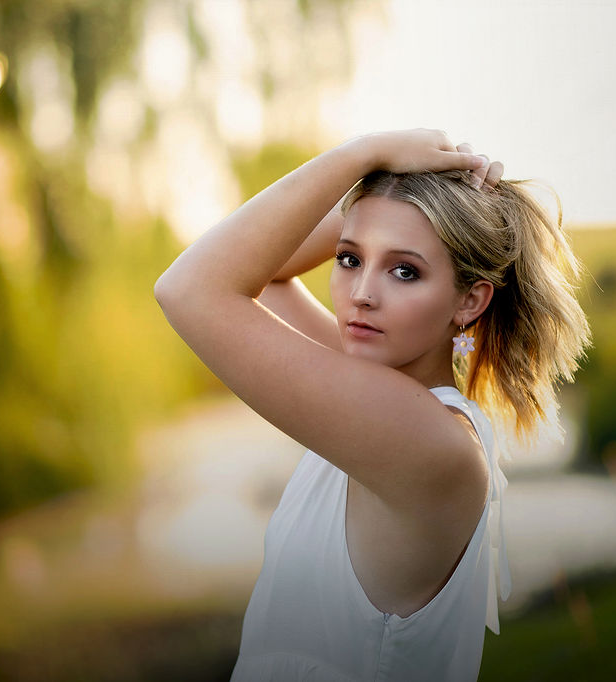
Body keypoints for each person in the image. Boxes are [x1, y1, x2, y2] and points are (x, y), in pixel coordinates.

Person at [155, 129, 591, 681]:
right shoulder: (374, 389)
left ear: (470, 300)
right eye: (349, 259)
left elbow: (189, 288)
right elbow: (264, 275)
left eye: (404, 271)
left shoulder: (429, 441)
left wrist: (366, 156)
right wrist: (393, 194)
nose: (362, 293)